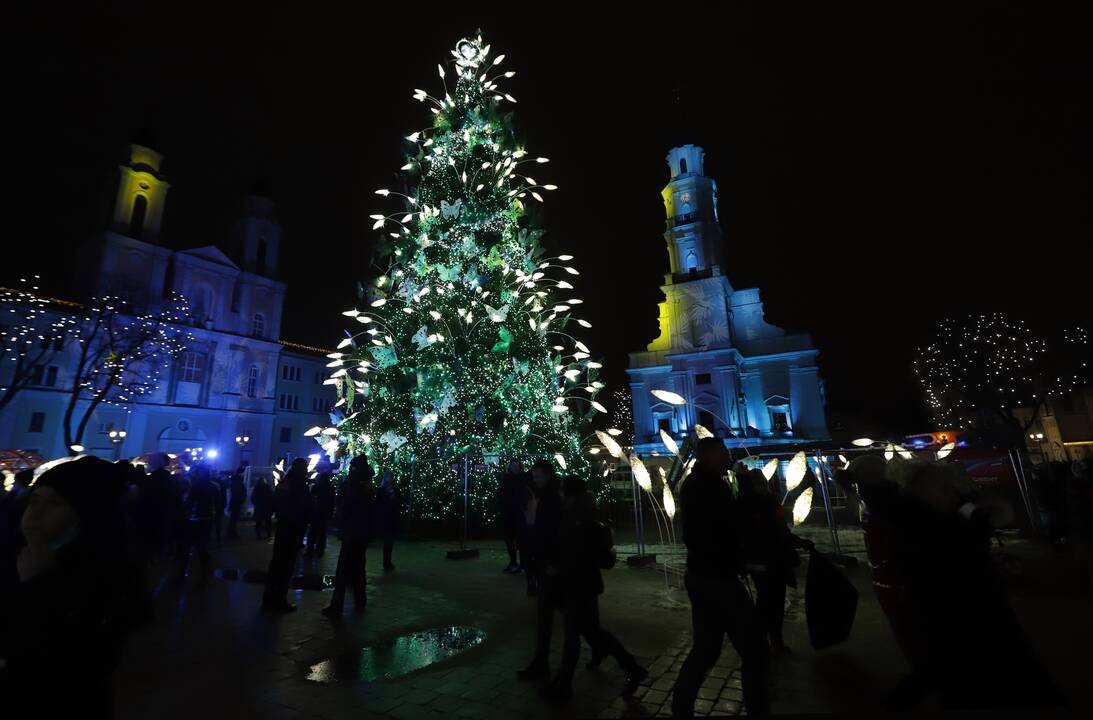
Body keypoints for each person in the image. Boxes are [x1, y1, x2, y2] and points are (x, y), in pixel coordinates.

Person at [0, 456, 149, 716]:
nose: (34, 515)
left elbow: (74, 662)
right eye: (34, 501)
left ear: (85, 515)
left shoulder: (104, 575)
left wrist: (39, 586)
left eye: (55, 503)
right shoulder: (12, 554)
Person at [672, 438, 769, 718]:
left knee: (706, 648)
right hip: (717, 577)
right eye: (724, 452)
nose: (728, 457)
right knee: (753, 650)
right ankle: (758, 709)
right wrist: (749, 489)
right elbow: (733, 522)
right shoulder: (708, 486)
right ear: (711, 455)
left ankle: (681, 706)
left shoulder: (702, 483)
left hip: (705, 573)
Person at [540, 475, 647, 702]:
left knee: (573, 635)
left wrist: (557, 566)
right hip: (584, 583)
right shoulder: (585, 512)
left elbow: (574, 550)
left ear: (566, 492)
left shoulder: (575, 516)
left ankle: (564, 684)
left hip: (576, 583)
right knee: (592, 631)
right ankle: (632, 667)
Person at [736, 465, 813, 653]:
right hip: (762, 562)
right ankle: (764, 642)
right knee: (767, 602)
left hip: (773, 560)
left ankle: (772, 640)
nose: (762, 485)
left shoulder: (768, 501)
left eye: (763, 482)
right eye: (757, 483)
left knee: (773, 602)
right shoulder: (750, 503)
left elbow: (780, 530)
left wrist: (796, 542)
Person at [516, 459, 564, 681]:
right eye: (533, 476)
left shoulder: (552, 498)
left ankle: (542, 665)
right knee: (550, 616)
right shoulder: (545, 495)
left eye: (537, 476)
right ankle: (540, 662)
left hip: (551, 566)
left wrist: (551, 561)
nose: (534, 480)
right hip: (545, 563)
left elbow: (552, 531)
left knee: (553, 617)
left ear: (546, 475)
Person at [323, 456, 375, 617]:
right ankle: (361, 600)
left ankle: (337, 605)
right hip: (363, 532)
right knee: (359, 568)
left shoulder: (351, 484)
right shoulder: (368, 485)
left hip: (351, 531)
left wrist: (339, 520)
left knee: (343, 569)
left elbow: (344, 506)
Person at [262, 458, 312, 613]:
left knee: (276, 564)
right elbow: (305, 507)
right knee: (286, 566)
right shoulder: (299, 486)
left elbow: (274, 503)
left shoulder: (284, 483)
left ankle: (268, 598)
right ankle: (280, 600)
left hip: (283, 527)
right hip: (293, 529)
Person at [175, 464, 220, 586]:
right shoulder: (213, 487)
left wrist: (184, 511)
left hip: (195, 519)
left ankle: (181, 575)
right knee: (203, 548)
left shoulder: (196, 486)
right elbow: (218, 503)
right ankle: (204, 575)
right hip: (208, 519)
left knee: (187, 547)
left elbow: (189, 502)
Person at [499, 460, 532, 574]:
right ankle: (514, 562)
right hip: (509, 512)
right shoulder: (507, 478)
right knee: (509, 538)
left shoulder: (523, 478)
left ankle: (522, 564)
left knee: (520, 540)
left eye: (517, 466)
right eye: (514, 466)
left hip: (519, 513)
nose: (515, 468)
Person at [375, 469, 402, 571]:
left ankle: (387, 561)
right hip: (386, 518)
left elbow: (399, 500)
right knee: (388, 541)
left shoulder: (394, 489)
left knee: (389, 542)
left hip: (391, 518)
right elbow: (378, 504)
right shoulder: (381, 490)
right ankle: (386, 562)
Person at [306, 470, 335, 556]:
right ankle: (320, 550)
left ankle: (310, 549)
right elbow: (332, 502)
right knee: (322, 532)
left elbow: (310, 499)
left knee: (313, 531)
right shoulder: (330, 488)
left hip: (315, 512)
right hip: (324, 513)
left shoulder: (316, 487)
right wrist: (330, 513)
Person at [227, 463, 248, 538]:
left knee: (233, 518)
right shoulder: (238, 480)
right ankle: (232, 532)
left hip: (235, 502)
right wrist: (241, 499)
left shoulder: (236, 479)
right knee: (234, 518)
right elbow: (237, 492)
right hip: (236, 503)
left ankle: (231, 532)